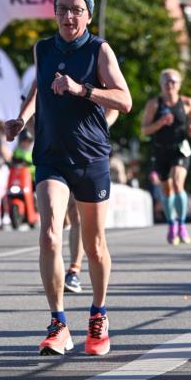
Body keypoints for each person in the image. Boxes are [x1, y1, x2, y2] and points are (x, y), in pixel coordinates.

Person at [5, 0, 132, 356]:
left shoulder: (99, 50)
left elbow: (125, 100)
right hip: (50, 154)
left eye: (76, 10)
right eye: (62, 10)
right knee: (48, 235)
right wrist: (23, 118)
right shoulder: (42, 49)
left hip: (91, 155)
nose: (68, 17)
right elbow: (38, 89)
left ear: (88, 16)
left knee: (93, 245)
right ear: (55, 13)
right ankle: (58, 323)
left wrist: (82, 89)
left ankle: (98, 315)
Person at [141, 68, 191, 244]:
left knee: (177, 182)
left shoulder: (187, 102)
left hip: (180, 149)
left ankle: (182, 225)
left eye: (173, 81)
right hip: (160, 151)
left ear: (179, 84)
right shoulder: (154, 104)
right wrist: (159, 123)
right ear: (161, 84)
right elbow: (144, 130)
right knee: (167, 190)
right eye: (166, 81)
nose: (170, 85)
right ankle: (172, 224)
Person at [64, 110, 119, 295]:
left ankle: (74, 270)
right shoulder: (39, 79)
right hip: (53, 154)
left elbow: (117, 102)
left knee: (78, 218)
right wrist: (39, 133)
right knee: (52, 231)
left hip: (88, 153)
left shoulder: (94, 79)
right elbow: (29, 106)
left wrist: (99, 127)